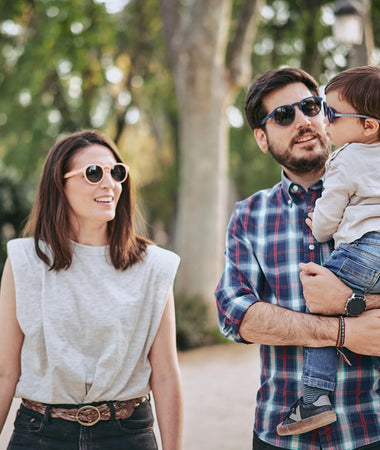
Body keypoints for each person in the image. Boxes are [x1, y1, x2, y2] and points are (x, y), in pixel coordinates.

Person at [215, 67, 380, 450]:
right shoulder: (249, 214)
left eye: (311, 106)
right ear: (261, 138)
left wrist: (350, 302)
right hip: (279, 433)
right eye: (285, 115)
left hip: (371, 426)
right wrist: (345, 331)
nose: (304, 121)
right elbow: (234, 313)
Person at [0, 130, 183, 449]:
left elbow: (166, 375)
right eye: (93, 173)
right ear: (60, 184)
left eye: (116, 172)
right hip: (39, 434)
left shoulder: (154, 266)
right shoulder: (24, 261)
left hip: (127, 435)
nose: (109, 183)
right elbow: (5, 372)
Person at [278, 65, 380, 437]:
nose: (325, 120)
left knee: (321, 309)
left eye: (331, 114)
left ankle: (315, 397)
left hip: (363, 250)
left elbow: (325, 221)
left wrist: (315, 224)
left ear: (368, 126)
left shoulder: (346, 159)